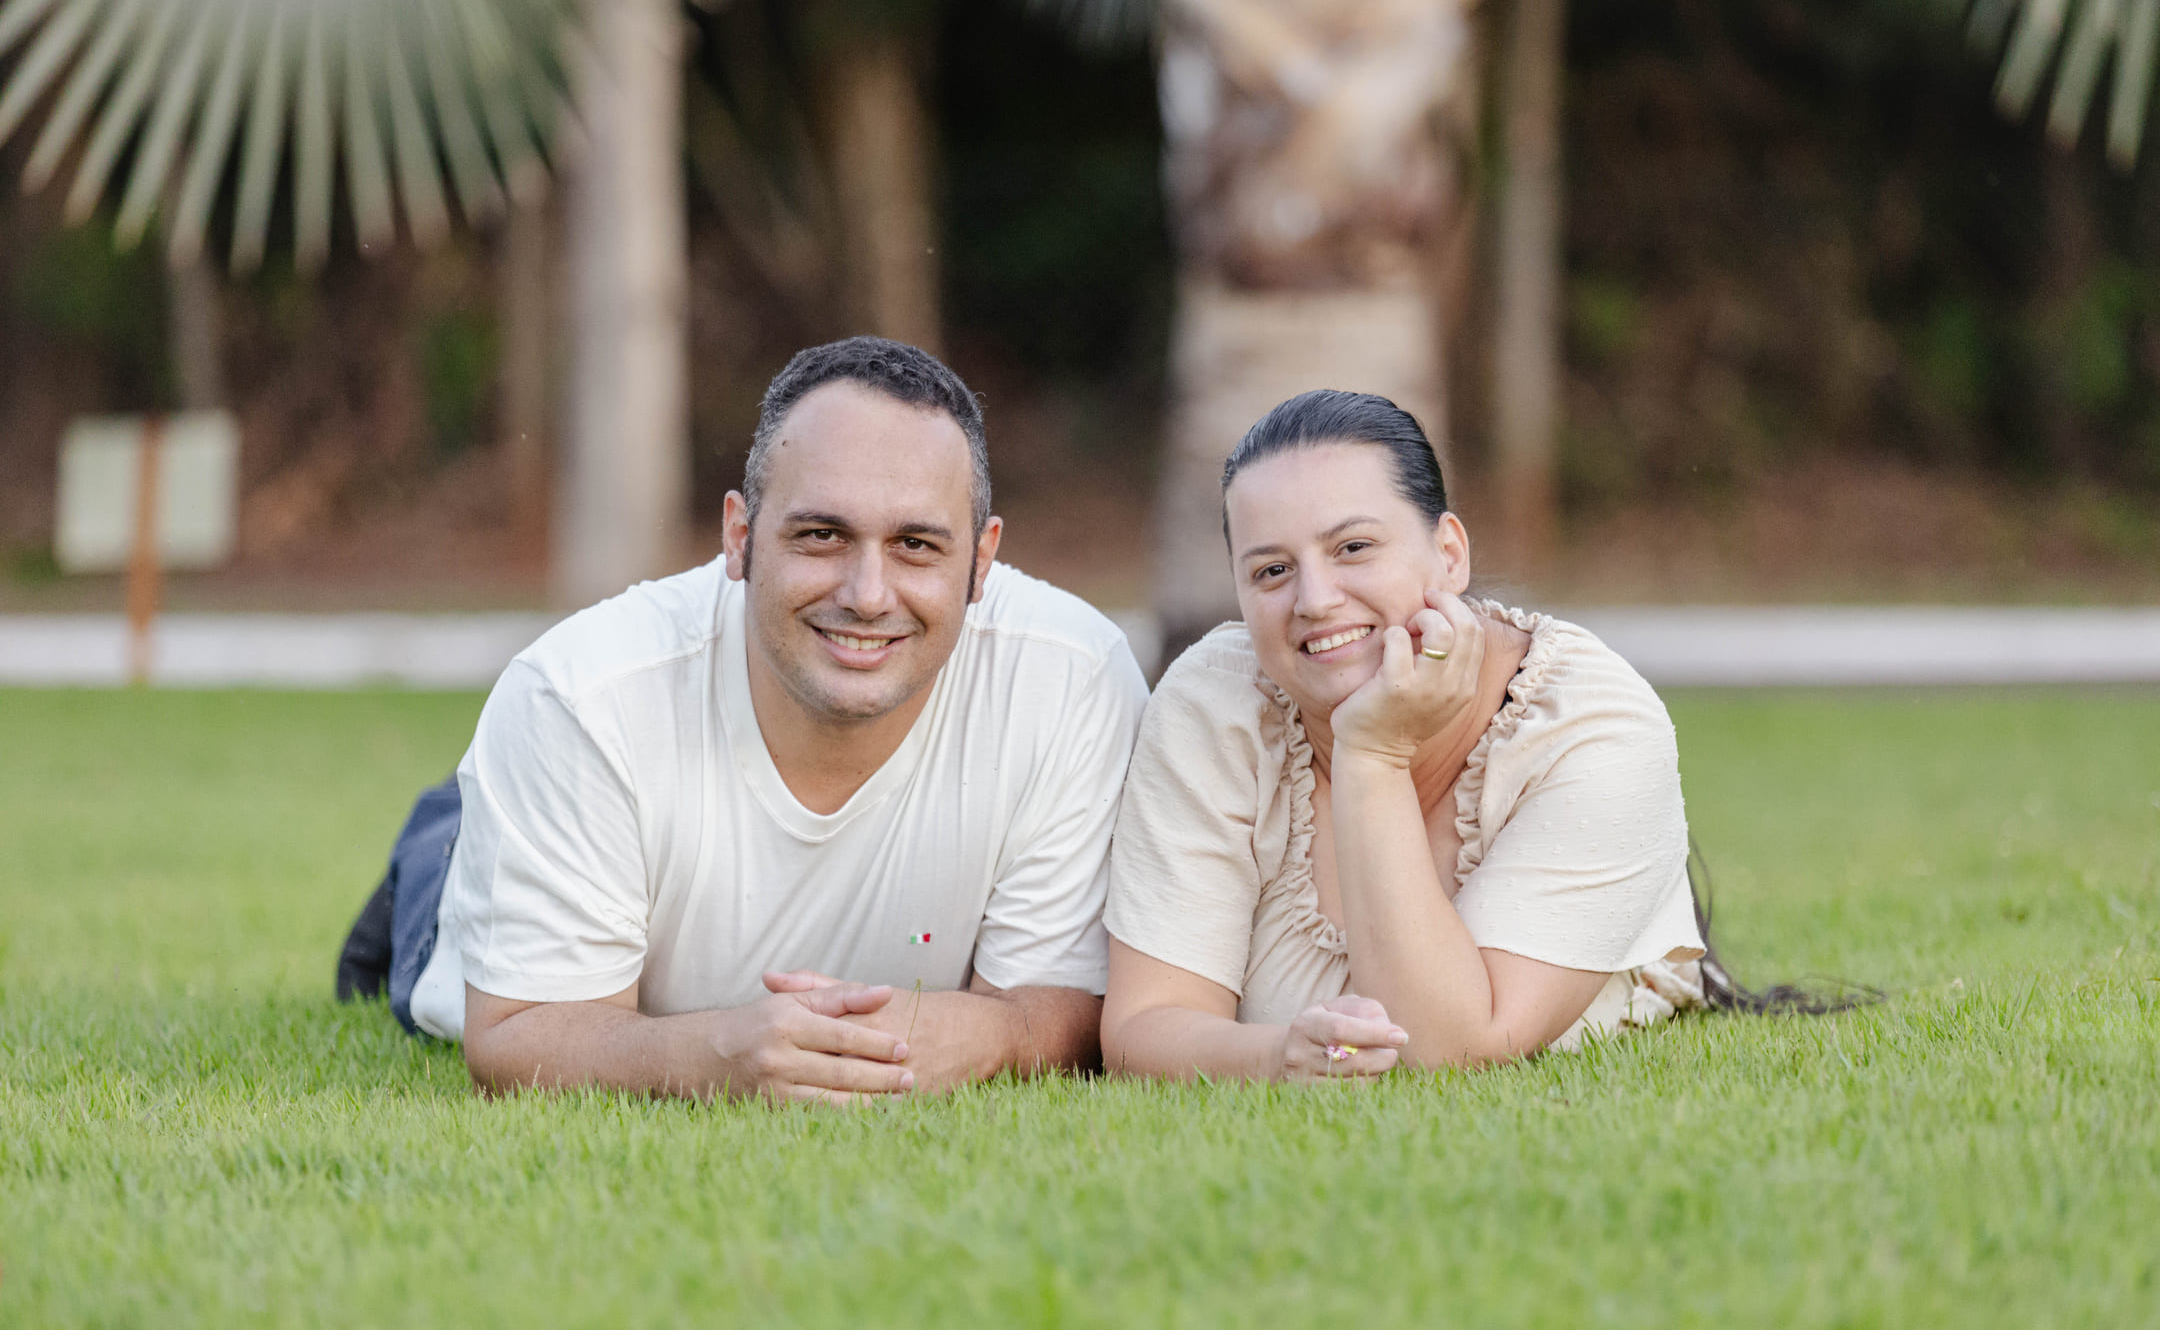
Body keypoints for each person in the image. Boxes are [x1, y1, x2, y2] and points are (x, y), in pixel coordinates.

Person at [336, 337, 1149, 1105]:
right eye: (822, 535)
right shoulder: (579, 698)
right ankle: (445, 834)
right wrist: (720, 1054)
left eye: (915, 545)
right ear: (739, 535)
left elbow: (1084, 1003)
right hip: (539, 826)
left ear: (982, 559)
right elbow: (514, 1033)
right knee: (445, 882)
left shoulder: (1073, 681)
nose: (868, 594)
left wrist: (994, 1034)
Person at [1100, 389, 1726, 1084]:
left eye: (1354, 547)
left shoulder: (1593, 726)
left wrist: (1375, 754)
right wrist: (1275, 1059)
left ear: (1449, 554)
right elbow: (1143, 1025)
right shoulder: (1216, 704)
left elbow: (1445, 1049)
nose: (1314, 599)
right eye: (1272, 570)